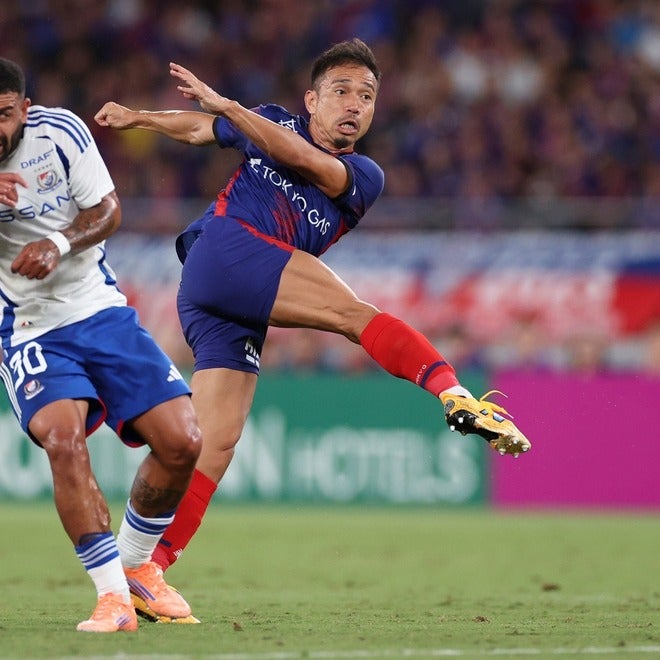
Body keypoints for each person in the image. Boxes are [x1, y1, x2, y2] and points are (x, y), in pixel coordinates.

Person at [95, 38, 531, 621]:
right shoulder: (270, 120)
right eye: (341, 91)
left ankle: (144, 567)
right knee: (355, 315)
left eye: (367, 96)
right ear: (311, 100)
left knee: (211, 443)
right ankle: (453, 392)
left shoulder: (363, 175)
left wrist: (230, 109)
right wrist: (140, 117)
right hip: (224, 250)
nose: (354, 104)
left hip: (233, 295)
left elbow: (305, 161)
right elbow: (200, 128)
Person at [0, 57, 203, 632]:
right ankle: (112, 598)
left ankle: (137, 568)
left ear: (24, 110)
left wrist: (59, 244)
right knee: (63, 441)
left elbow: (108, 211)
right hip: (27, 325)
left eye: (4, 115)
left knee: (183, 442)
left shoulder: (60, 134)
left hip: (98, 308)